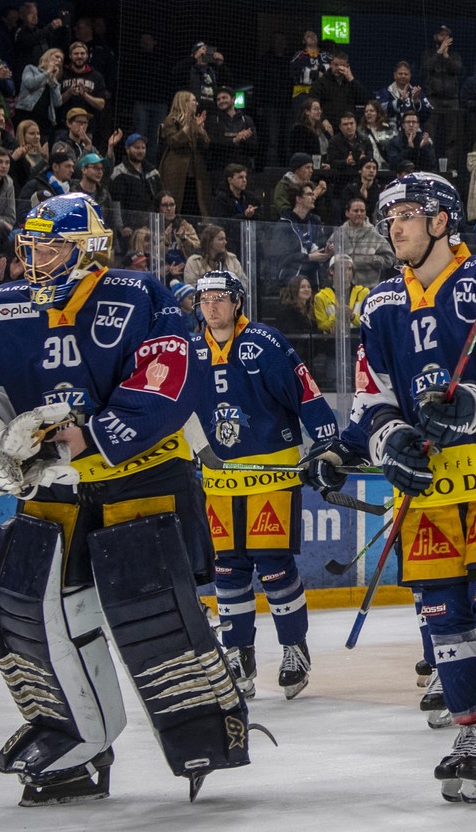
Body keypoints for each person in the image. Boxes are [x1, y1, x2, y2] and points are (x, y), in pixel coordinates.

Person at [0, 193, 260, 805]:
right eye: (28, 246)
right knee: (27, 604)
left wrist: (90, 436)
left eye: (48, 246)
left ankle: (203, 728)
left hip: (142, 475)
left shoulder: (138, 295)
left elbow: (167, 377)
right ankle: (74, 736)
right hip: (54, 484)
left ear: (86, 249)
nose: (33, 259)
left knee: (148, 606)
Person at [302, 172, 476, 802]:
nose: (395, 227)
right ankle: (467, 728)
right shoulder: (381, 304)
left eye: (408, 214)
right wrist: (377, 443)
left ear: (442, 220)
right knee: (442, 609)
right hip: (430, 483)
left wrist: (471, 401)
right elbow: (372, 397)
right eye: (389, 219)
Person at [195, 270, 337, 700]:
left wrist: (329, 443)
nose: (212, 306)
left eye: (220, 297)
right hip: (219, 478)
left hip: (272, 474)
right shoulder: (189, 350)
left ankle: (294, 647)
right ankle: (238, 653)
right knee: (228, 568)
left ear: (237, 302)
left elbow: (305, 394)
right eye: (205, 298)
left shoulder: (264, 343)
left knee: (272, 563)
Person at [158, 90, 211, 216]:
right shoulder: (171, 121)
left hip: (195, 173)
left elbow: (206, 145)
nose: (196, 103)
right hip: (176, 171)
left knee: (195, 205)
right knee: (177, 203)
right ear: (184, 102)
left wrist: (200, 130)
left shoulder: (195, 121)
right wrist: (186, 128)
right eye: (193, 100)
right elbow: (173, 142)